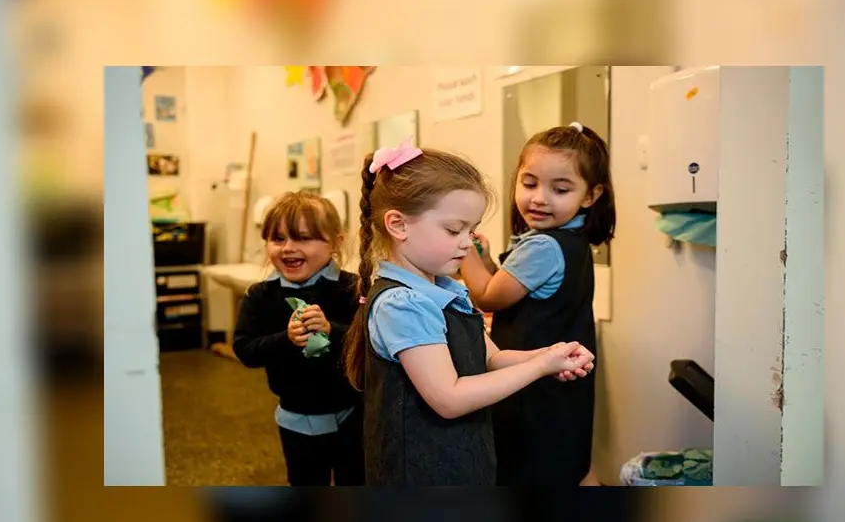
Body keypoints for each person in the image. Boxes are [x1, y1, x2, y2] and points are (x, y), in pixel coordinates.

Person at [343, 139, 596, 486]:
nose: (467, 242)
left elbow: (492, 358)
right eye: (453, 230)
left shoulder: (448, 290)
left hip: (462, 457)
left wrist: (549, 356)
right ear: (399, 225)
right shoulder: (403, 305)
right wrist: (538, 367)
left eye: (471, 230)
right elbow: (449, 398)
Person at [459, 122, 617, 486]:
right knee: (568, 461)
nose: (539, 198)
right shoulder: (572, 238)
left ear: (591, 195)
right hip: (562, 385)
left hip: (534, 387)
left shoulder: (543, 247)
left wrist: (462, 245)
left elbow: (487, 296)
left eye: (560, 189)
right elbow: (506, 287)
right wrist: (484, 261)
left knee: (530, 466)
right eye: (529, 184)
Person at [233, 191, 364, 486]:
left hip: (351, 415)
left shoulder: (353, 289)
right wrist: (286, 339)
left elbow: (371, 344)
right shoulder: (259, 296)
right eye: (278, 239)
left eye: (303, 238)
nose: (288, 248)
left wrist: (332, 330)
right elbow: (245, 350)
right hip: (295, 419)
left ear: (336, 242)